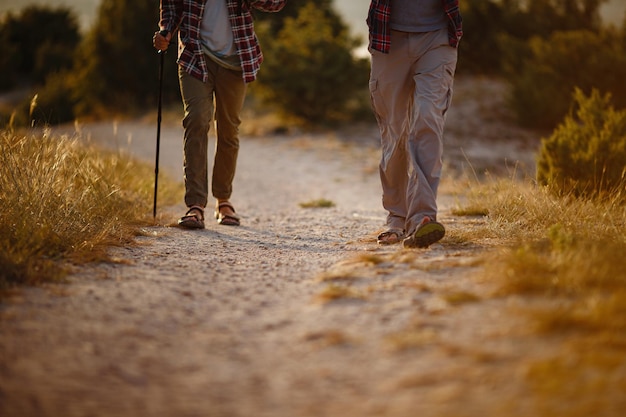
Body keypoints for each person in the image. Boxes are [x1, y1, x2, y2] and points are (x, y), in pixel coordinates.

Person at [154, 0, 287, 229]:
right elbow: (172, 7)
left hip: (236, 58)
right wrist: (166, 31)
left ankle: (223, 201)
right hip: (195, 55)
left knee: (228, 129)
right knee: (196, 119)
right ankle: (195, 205)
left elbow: (275, 4)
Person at [367, 0, 462, 248]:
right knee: (394, 132)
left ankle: (422, 218)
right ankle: (397, 218)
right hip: (388, 38)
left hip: (437, 37)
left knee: (427, 119)